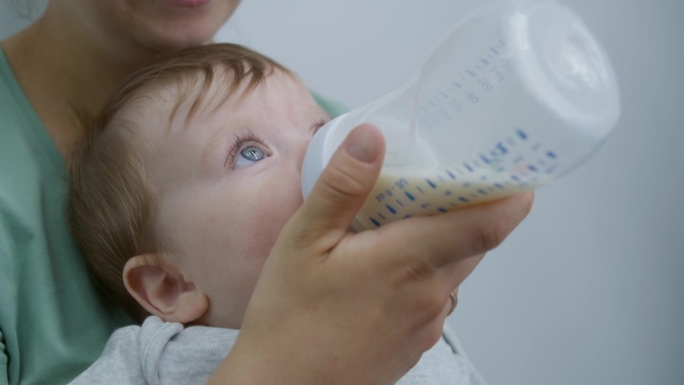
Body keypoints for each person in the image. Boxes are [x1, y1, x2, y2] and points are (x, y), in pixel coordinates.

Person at [0, 0, 533, 384]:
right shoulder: (155, 361)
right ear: (166, 285)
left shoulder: (335, 133)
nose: (320, 159)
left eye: (319, 128)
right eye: (250, 153)